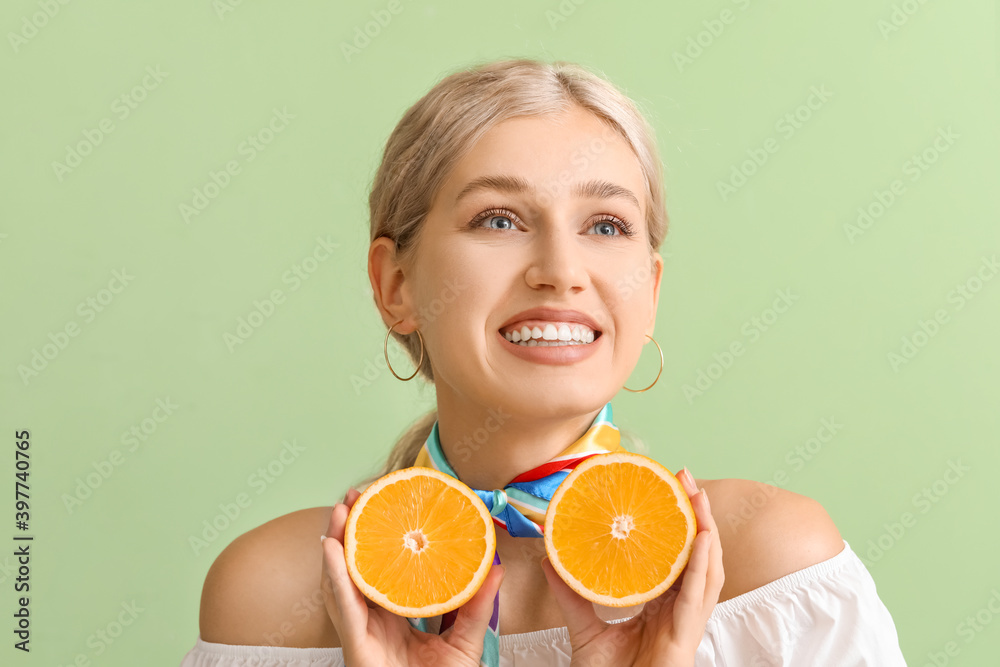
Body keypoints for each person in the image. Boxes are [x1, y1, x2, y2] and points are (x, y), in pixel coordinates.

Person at [181, 58, 907, 666]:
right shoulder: (274, 596)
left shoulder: (771, 569)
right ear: (395, 285)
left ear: (648, 293)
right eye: (499, 219)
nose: (561, 270)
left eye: (606, 225)